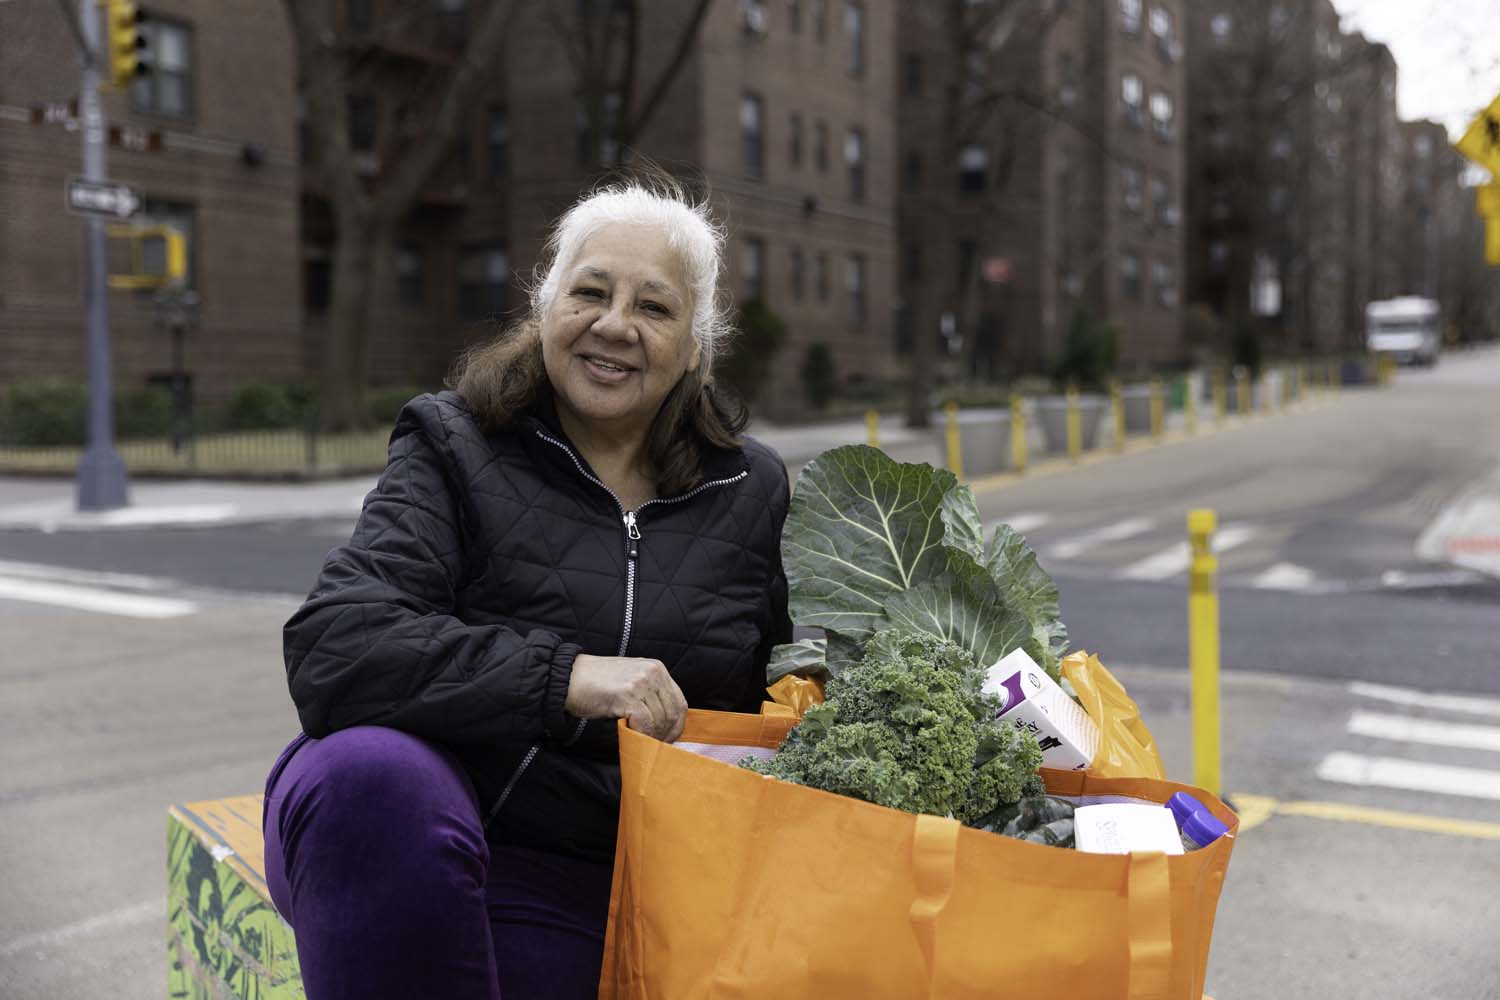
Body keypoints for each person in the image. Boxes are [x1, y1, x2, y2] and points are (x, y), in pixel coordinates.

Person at [260, 177, 793, 1000]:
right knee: (369, 777)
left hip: (614, 878)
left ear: (696, 347)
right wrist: (565, 679)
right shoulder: (453, 442)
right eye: (589, 291)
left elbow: (792, 686)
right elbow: (337, 644)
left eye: (654, 308)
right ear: (545, 306)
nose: (614, 325)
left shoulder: (750, 489)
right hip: (434, 830)